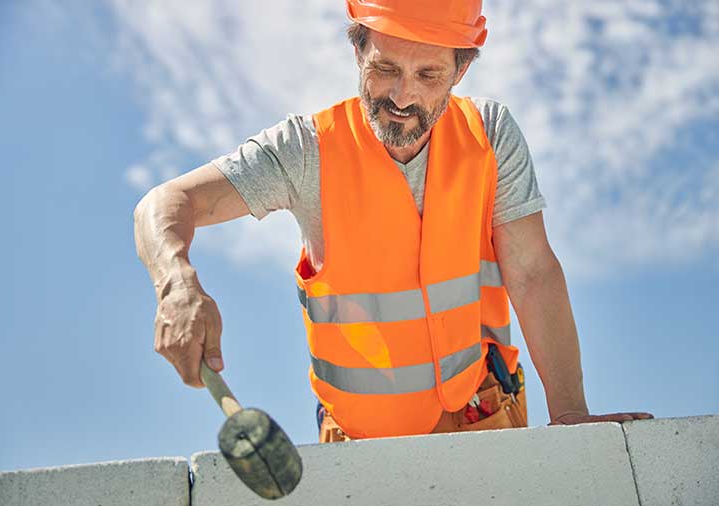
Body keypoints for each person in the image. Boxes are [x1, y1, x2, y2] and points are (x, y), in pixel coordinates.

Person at [134, 0, 653, 442]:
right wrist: (176, 282)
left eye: (428, 75)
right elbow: (163, 203)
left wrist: (568, 412)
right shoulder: (307, 150)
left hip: (485, 421)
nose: (403, 97)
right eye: (385, 69)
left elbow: (533, 272)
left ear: (461, 69)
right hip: (364, 454)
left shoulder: (489, 135)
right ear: (357, 49)